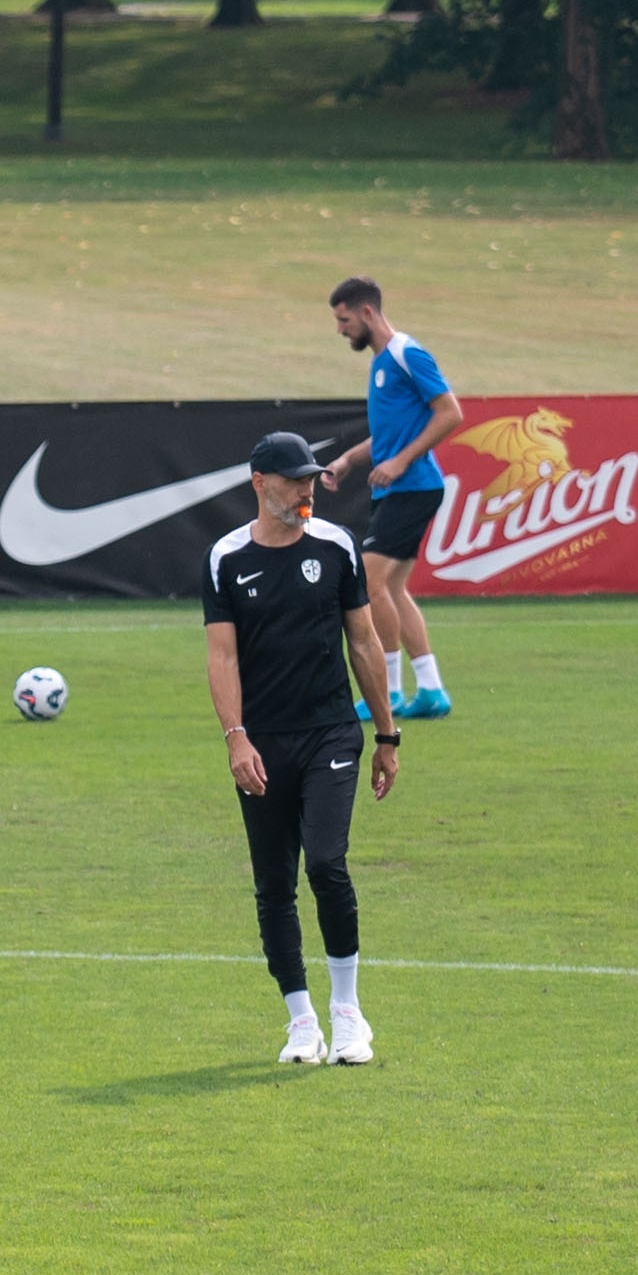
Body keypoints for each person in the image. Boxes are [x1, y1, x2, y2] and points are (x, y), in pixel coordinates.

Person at [206, 431, 401, 1064]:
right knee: (272, 885)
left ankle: (348, 1012)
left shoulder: (337, 546)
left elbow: (365, 643)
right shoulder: (226, 558)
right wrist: (236, 738)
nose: (306, 489)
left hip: (331, 735)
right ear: (259, 482)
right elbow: (222, 655)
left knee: (325, 863)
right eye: (294, 480)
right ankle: (300, 1019)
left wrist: (386, 734)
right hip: (261, 742)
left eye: (311, 477)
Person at [321, 278, 457, 718]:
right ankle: (432, 691)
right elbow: (387, 435)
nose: (340, 330)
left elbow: (450, 412)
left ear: (366, 313)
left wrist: (400, 462)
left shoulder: (406, 353)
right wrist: (348, 460)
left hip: (412, 487)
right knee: (393, 587)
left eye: (343, 320)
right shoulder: (383, 362)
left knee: (371, 583)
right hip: (400, 488)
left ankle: (391, 692)